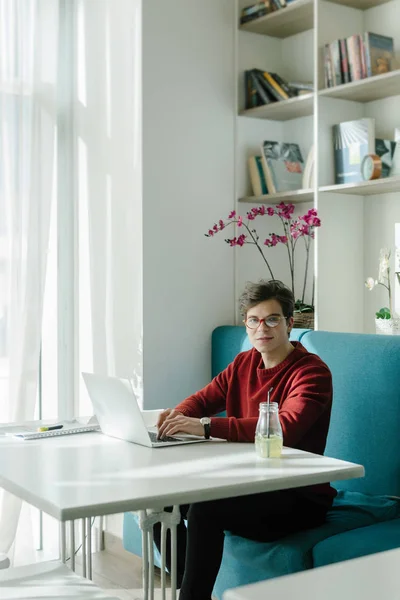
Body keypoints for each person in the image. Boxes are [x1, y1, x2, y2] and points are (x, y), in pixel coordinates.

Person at [155, 279, 336, 600]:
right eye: (254, 320)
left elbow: (286, 427)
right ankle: (187, 582)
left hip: (296, 496)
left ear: (289, 323)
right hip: (246, 481)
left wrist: (207, 427)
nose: (261, 328)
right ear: (246, 324)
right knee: (159, 498)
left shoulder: (311, 372)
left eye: (272, 319)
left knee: (204, 510)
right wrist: (177, 417)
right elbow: (200, 401)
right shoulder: (243, 363)